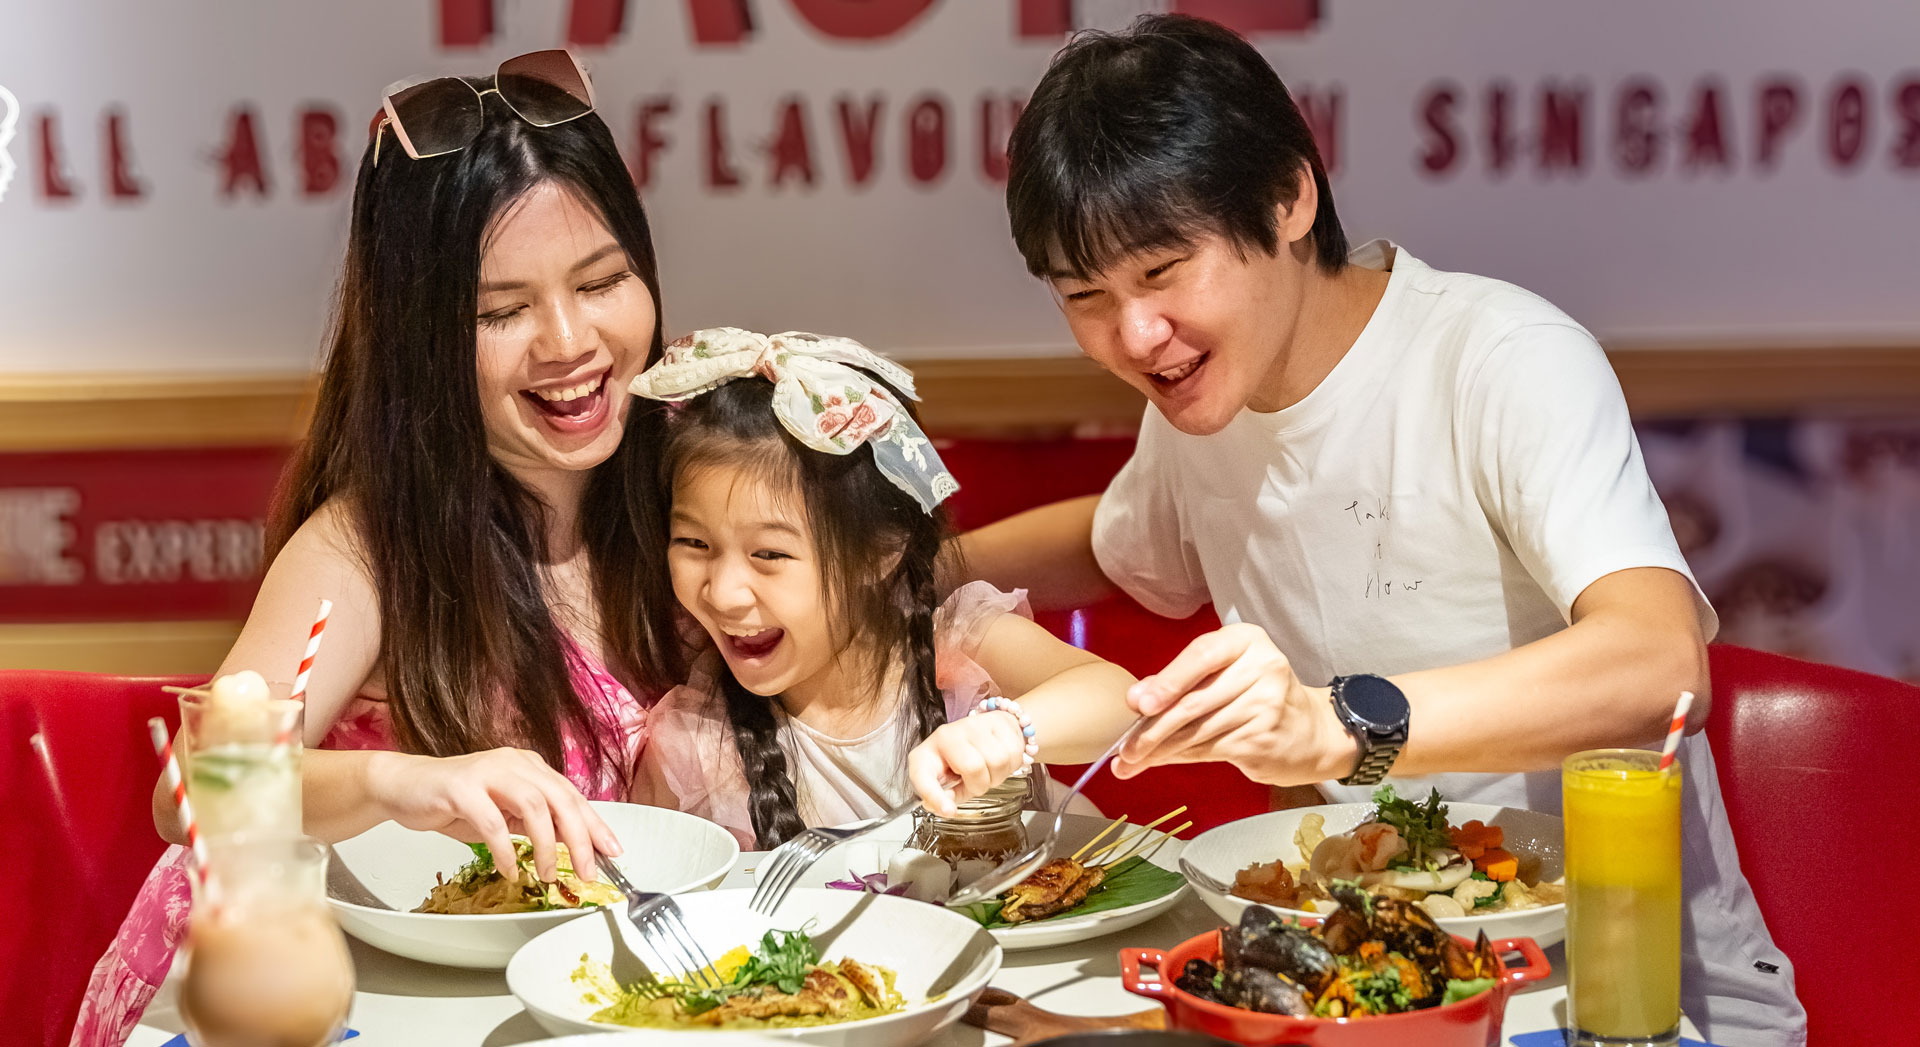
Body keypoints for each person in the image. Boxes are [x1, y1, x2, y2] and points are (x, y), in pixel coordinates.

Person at [960, 15, 1804, 1045]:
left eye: (1163, 272)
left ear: (1288, 196)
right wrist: (911, 573)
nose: (1134, 336)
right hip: (1379, 985)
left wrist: (1343, 728)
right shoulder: (1198, 401)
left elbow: (1659, 661)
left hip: (1626, 997)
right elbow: (1117, 541)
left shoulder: (1504, 359)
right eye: (1086, 297)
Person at [73, 52, 683, 1046]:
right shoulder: (363, 550)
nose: (571, 341)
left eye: (604, 280)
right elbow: (189, 793)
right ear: (418, 335)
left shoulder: (677, 492)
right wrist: (397, 782)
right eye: (500, 312)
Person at [628, 328, 1138, 849]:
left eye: (770, 554)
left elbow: (1121, 702)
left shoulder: (959, 645)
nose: (725, 593)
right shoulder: (691, 745)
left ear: (881, 551)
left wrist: (1005, 732)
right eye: (693, 542)